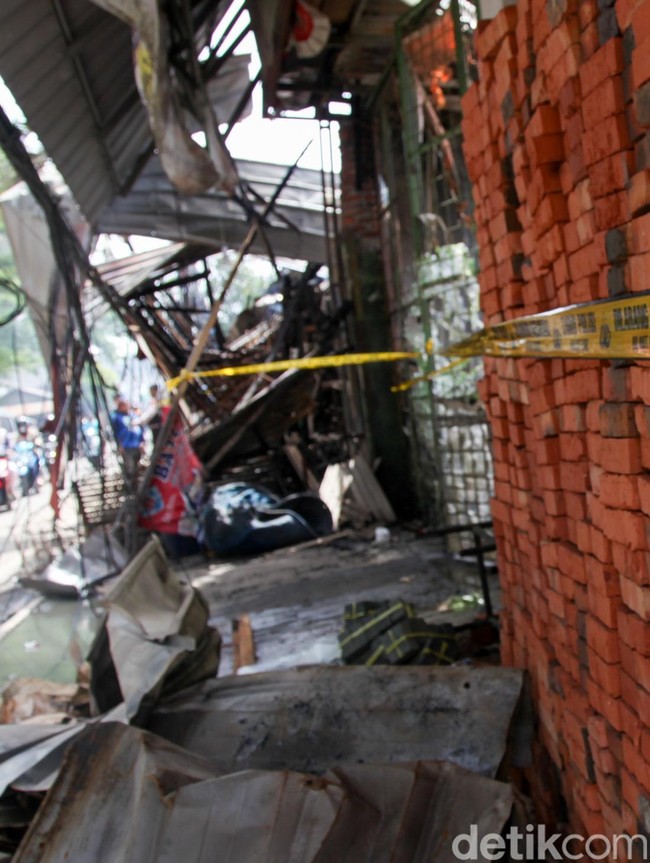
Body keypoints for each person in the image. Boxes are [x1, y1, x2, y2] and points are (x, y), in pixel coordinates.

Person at [110, 394, 144, 487]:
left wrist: (142, 441)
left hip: (137, 445)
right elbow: (115, 432)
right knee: (130, 467)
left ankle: (136, 485)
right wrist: (119, 445)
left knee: (137, 466)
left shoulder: (133, 415)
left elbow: (141, 428)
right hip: (126, 446)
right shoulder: (116, 417)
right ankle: (130, 486)